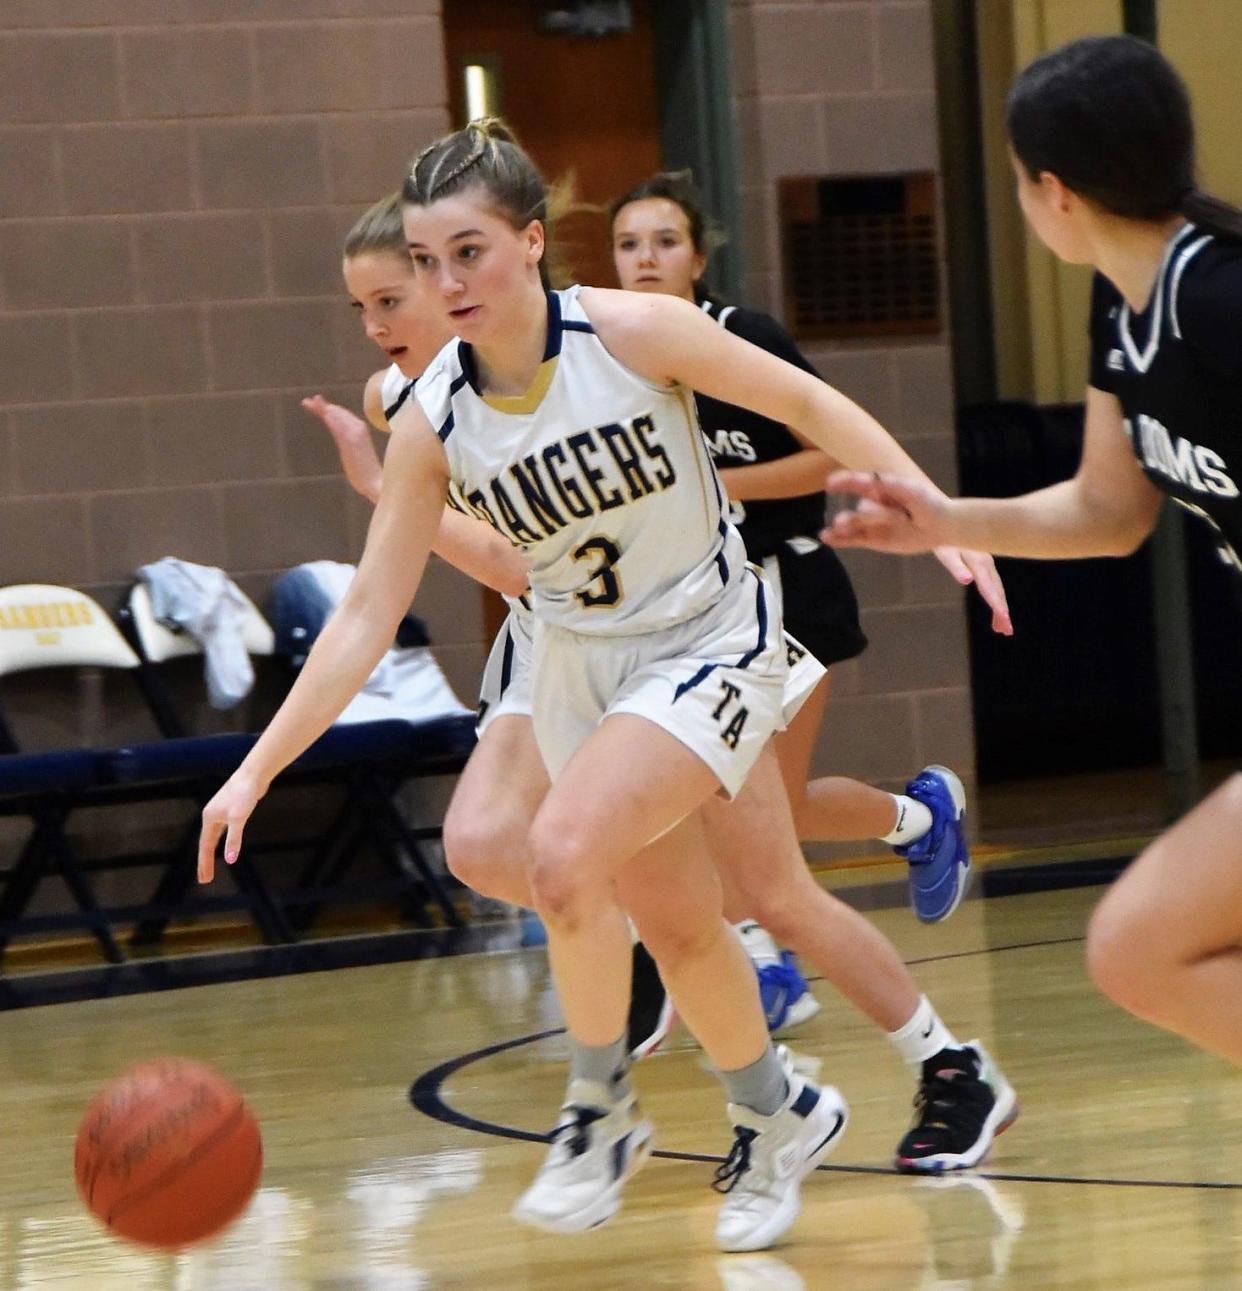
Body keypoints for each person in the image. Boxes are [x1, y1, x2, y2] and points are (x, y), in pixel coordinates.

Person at [311, 184, 1017, 1184]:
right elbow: (505, 561)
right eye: (372, 304)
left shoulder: (651, 338)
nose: (386, 320)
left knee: (764, 883)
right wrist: (392, 476)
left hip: (719, 618)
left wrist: (939, 519)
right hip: (579, 644)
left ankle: (940, 1051)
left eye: (402, 293)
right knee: (497, 845)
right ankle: (686, 961)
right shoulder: (428, 399)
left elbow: (819, 429)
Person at [823, 34, 1242, 1070]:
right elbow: (1108, 509)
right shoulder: (1126, 296)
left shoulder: (1222, 299)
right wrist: (942, 520)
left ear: (1052, 189)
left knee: (1146, 945)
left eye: (1013, 181)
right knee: (1142, 948)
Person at [609, 169, 1013, 932]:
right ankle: (918, 820)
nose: (646, 258)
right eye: (628, 244)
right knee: (755, 807)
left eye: (665, 241)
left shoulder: (746, 337)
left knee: (753, 807)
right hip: (694, 599)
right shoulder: (616, 363)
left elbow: (829, 454)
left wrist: (724, 485)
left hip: (787, 579)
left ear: (697, 259)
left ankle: (764, 967)